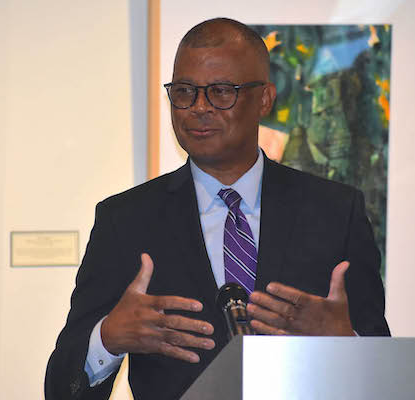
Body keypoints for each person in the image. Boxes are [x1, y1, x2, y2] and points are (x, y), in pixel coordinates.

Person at [45, 17, 389, 400]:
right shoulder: (125, 220)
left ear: (264, 99)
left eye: (222, 91)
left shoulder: (336, 212)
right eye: (184, 92)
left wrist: (346, 343)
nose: (199, 107)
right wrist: (107, 339)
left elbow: (387, 374)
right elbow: (61, 389)